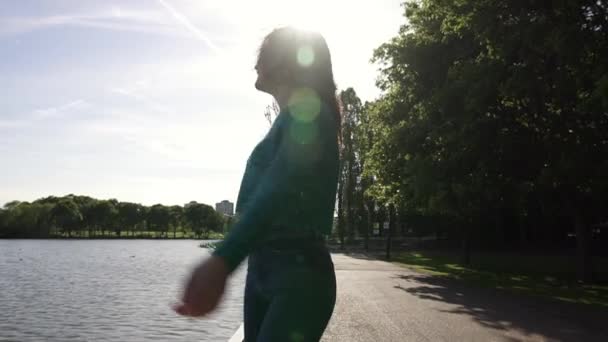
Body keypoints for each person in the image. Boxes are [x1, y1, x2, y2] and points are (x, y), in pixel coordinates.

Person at [173, 26, 341, 342]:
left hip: (298, 277)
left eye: (264, 51)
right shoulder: (289, 119)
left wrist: (222, 261)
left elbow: (276, 191)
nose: (256, 60)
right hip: (262, 270)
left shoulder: (311, 116)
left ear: (285, 62)